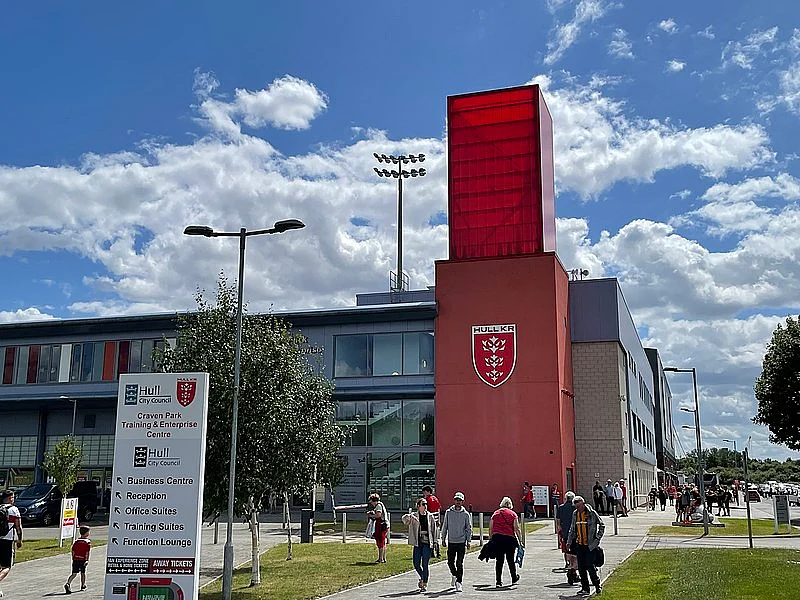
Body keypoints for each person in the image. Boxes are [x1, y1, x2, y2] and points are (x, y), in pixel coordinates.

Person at [567, 495, 605, 597]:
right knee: (581, 567)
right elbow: (572, 529)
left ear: (583, 504)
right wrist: (569, 541)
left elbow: (602, 525)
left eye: (579, 506)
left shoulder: (591, 513)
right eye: (576, 507)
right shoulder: (575, 514)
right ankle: (585, 588)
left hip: (590, 545)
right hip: (579, 544)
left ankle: (597, 585)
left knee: (589, 565)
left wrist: (597, 538)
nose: (578, 509)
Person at [402, 498, 438, 592]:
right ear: (418, 506)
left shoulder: (430, 516)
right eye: (423, 504)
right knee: (416, 563)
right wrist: (409, 516)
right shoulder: (414, 516)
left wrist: (435, 542)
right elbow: (404, 520)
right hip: (418, 543)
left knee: (425, 563)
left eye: (426, 504)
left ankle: (425, 583)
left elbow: (434, 530)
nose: (425, 506)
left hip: (427, 543)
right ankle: (423, 577)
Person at [441, 491, 472, 592]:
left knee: (459, 562)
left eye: (460, 500)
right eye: (456, 500)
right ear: (454, 500)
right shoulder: (449, 512)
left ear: (462, 501)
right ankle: (454, 575)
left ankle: (459, 582)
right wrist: (443, 538)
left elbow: (468, 528)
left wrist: (468, 541)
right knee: (450, 562)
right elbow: (445, 526)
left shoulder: (465, 514)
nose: (458, 502)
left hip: (461, 541)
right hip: (451, 541)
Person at [489, 497, 522, 588]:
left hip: (497, 538)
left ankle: (498, 581)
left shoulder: (495, 513)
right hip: (509, 539)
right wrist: (520, 540)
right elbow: (516, 528)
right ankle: (514, 578)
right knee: (510, 560)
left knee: (499, 560)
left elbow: (491, 527)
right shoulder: (513, 514)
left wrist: (491, 538)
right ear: (510, 505)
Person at [0, 489, 22, 596]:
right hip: (7, 540)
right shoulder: (14, 510)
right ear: (10, 498)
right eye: (13, 497)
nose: (14, 499)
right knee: (6, 567)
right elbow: (18, 527)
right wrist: (19, 539)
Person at [557, 491, 579, 585]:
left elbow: (558, 523)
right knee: (576, 554)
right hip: (576, 534)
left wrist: (560, 534)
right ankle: (572, 572)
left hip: (565, 534)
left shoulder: (561, 508)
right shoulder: (576, 508)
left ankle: (570, 569)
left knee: (568, 552)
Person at [65, 526, 91, 594]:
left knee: (74, 573)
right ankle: (83, 585)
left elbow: (73, 550)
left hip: (76, 559)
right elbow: (87, 552)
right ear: (86, 533)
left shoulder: (76, 541)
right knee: (83, 573)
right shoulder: (87, 542)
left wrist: (73, 558)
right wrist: (87, 560)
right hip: (82, 560)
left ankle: (68, 583)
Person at [422, 486, 442, 558]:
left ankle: (432, 552)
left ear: (428, 491)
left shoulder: (426, 500)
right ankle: (438, 552)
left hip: (430, 520)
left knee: (430, 536)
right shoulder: (435, 499)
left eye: (424, 492)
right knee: (436, 536)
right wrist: (439, 520)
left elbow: (425, 511)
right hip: (436, 519)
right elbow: (438, 510)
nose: (423, 493)